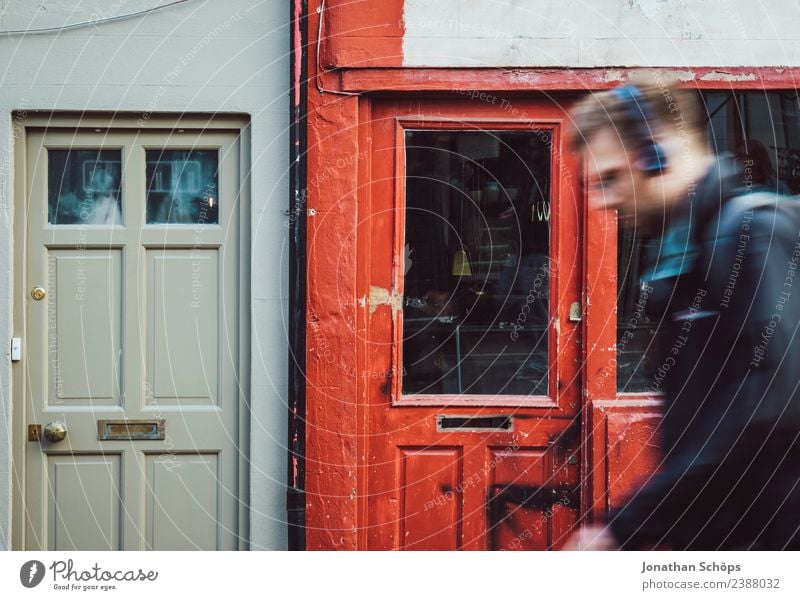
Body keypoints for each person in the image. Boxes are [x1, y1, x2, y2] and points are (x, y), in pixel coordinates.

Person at [564, 80, 800, 550]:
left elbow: (768, 409)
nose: (601, 201)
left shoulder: (751, 234)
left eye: (609, 178)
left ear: (656, 155)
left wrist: (626, 527)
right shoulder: (692, 251)